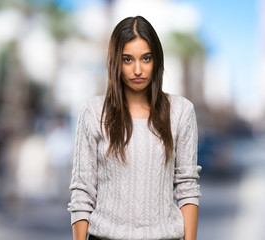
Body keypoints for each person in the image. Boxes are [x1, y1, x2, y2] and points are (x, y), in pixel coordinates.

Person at [68, 16, 202, 240]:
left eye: (146, 58)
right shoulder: (93, 112)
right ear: (115, 63)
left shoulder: (181, 111)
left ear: (156, 61)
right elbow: (82, 190)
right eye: (127, 60)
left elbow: (187, 186)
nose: (138, 69)